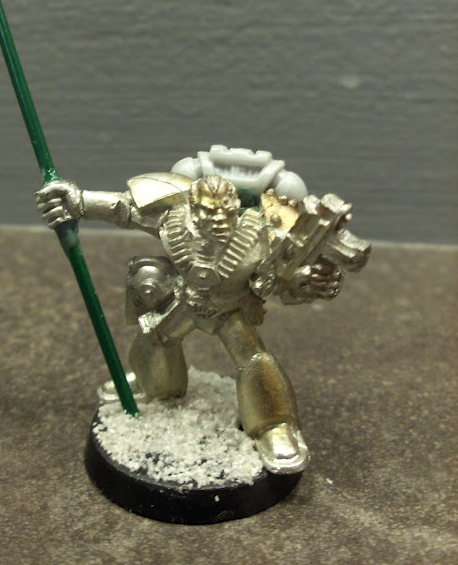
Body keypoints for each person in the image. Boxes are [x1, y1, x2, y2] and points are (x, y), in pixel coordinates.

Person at [36, 146, 367, 474]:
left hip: (229, 309)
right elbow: (124, 208)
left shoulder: (261, 233)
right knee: (155, 338)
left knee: (255, 360)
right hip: (186, 300)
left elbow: (290, 281)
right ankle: (156, 386)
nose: (219, 221)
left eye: (227, 213)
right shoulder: (173, 218)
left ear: (236, 208)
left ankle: (273, 425)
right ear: (194, 208)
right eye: (210, 213)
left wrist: (313, 279)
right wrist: (78, 202)